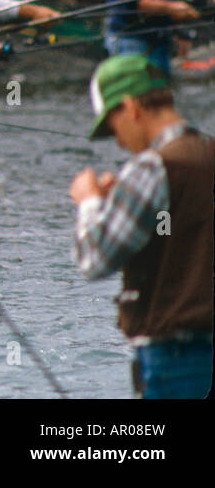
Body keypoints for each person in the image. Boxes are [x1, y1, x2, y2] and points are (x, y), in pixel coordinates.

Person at [71, 55, 213, 398]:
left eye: (113, 126)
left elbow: (94, 260)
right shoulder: (208, 152)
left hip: (175, 359)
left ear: (131, 107)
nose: (118, 141)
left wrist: (89, 201)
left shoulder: (148, 169)